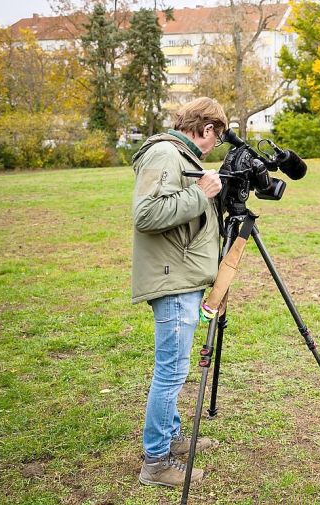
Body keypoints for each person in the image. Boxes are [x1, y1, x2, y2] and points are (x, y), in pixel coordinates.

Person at [130, 97, 227, 487]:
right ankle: (156, 463)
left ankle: (171, 438)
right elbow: (146, 215)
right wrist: (201, 193)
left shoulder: (178, 155)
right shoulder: (165, 155)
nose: (214, 146)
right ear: (206, 130)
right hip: (173, 281)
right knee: (171, 373)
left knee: (173, 369)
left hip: (181, 275)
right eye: (216, 138)